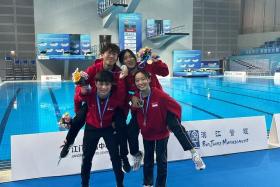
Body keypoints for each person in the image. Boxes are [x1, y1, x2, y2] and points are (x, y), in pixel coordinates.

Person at [59, 43, 133, 173]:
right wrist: (77, 111)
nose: (111, 56)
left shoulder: (119, 72)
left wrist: (123, 114)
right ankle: (68, 142)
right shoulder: (93, 69)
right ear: (102, 55)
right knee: (78, 119)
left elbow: (123, 97)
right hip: (93, 104)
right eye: (108, 53)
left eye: (114, 54)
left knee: (122, 126)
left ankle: (124, 157)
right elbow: (79, 90)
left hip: (112, 106)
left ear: (117, 57)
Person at [132, 70, 206, 187]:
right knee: (148, 160)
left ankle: (193, 154)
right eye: (137, 80)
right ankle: (147, 184)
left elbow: (177, 107)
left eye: (143, 79)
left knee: (161, 160)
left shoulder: (160, 95)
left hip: (161, 132)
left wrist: (172, 123)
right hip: (148, 134)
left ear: (149, 79)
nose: (140, 82)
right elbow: (135, 113)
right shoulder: (136, 97)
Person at [118, 49, 169, 170]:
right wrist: (132, 98)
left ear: (135, 57)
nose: (129, 59)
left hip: (157, 108)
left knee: (163, 132)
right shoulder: (125, 76)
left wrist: (155, 61)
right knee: (130, 131)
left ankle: (162, 159)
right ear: (122, 62)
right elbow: (125, 94)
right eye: (125, 58)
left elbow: (165, 72)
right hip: (140, 110)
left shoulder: (146, 66)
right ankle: (136, 154)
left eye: (130, 56)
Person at [77, 70, 125, 187]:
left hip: (109, 129)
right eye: (101, 84)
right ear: (96, 83)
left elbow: (124, 108)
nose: (104, 87)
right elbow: (81, 94)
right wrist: (81, 85)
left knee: (116, 158)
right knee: (86, 159)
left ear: (111, 85)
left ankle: (120, 184)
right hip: (91, 129)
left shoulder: (115, 98)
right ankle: (84, 185)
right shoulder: (90, 93)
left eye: (107, 84)